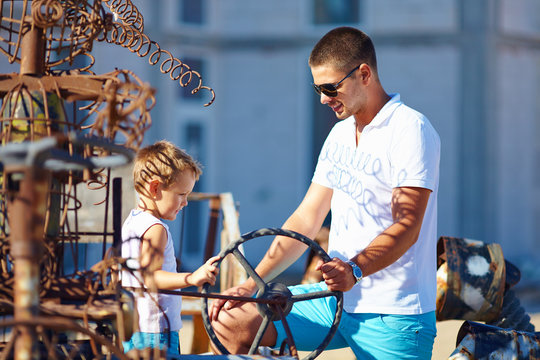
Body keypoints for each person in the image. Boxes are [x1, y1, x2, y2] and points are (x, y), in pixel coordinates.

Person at [209, 27, 440, 359]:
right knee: (232, 318)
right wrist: (253, 282)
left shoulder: (411, 130)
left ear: (364, 74)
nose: (323, 98)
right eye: (317, 88)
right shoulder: (339, 134)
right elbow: (306, 217)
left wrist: (355, 269)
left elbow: (408, 226)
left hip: (394, 313)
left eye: (331, 87)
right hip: (334, 301)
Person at [121, 140, 219, 355]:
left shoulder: (132, 221)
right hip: (156, 330)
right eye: (181, 194)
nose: (185, 203)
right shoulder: (156, 228)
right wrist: (192, 278)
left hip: (132, 325)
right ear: (155, 188)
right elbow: (149, 277)